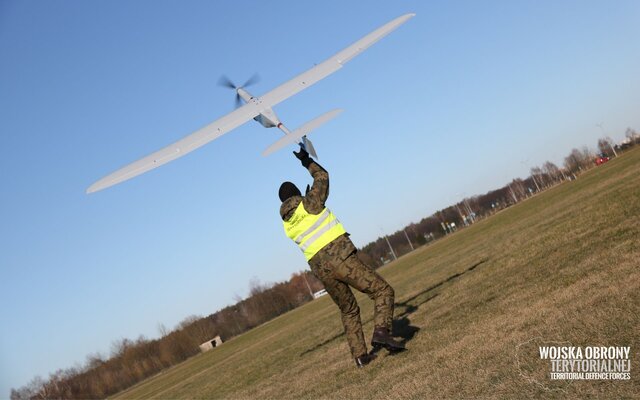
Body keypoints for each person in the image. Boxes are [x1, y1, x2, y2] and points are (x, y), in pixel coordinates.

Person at [279, 147, 404, 368]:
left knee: (348, 309)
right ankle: (382, 332)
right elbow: (322, 176)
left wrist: (307, 198)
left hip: (322, 272)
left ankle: (360, 356)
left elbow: (306, 216)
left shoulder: (288, 224)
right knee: (382, 290)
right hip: (341, 259)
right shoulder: (310, 203)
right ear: (298, 193)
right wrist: (306, 160)